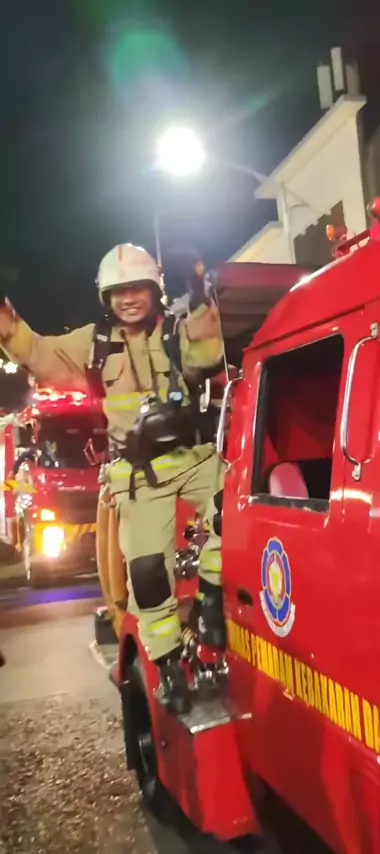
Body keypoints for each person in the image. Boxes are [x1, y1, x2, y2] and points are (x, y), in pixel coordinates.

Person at [0, 243, 225, 714]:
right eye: (118, 292)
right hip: (139, 476)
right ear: (106, 297)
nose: (128, 299)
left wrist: (199, 290)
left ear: (154, 290)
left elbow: (208, 352)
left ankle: (209, 601)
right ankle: (167, 667)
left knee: (237, 514)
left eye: (137, 289)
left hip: (194, 458)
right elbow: (35, 351)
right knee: (147, 575)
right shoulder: (93, 343)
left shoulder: (175, 329)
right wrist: (5, 315)